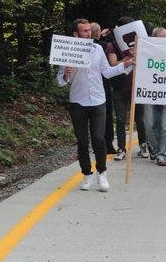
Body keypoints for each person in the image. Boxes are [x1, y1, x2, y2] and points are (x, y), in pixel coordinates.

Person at [57, 18, 133, 192]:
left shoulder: (97, 49)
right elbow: (60, 81)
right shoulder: (67, 51)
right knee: (82, 141)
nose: (88, 33)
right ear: (76, 34)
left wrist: (126, 65)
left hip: (98, 100)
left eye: (89, 30)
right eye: (84, 31)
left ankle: (101, 172)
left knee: (99, 138)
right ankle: (86, 174)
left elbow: (107, 72)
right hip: (78, 102)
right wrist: (66, 75)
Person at [105, 17, 149, 161]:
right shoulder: (112, 45)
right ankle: (122, 148)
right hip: (119, 87)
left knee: (140, 118)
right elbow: (112, 64)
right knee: (121, 118)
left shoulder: (141, 43)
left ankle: (143, 145)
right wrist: (128, 59)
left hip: (136, 86)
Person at [142, 27, 166, 167]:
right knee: (149, 125)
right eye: (158, 38)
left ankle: (161, 154)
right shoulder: (146, 52)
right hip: (149, 93)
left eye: (164, 39)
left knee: (165, 126)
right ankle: (154, 149)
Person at [90, 22, 117, 155]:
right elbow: (113, 44)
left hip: (91, 86)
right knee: (107, 115)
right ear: (97, 32)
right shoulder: (103, 46)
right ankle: (108, 144)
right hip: (104, 84)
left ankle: (96, 144)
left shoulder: (81, 47)